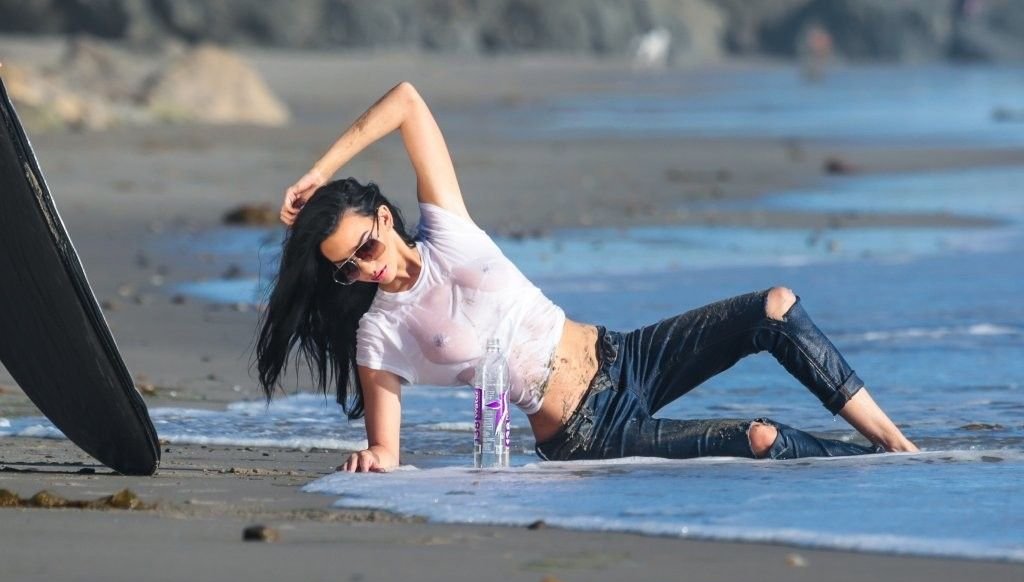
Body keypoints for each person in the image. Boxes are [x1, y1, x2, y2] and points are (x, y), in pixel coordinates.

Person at [257, 81, 919, 473]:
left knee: (774, 307)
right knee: (760, 437)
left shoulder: (449, 229)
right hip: (588, 434)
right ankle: (867, 470)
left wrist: (319, 171)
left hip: (622, 355)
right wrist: (374, 458)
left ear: (383, 216)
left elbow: (406, 101)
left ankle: (896, 448)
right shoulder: (379, 334)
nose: (365, 266)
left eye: (366, 245)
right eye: (347, 266)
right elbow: (386, 448)